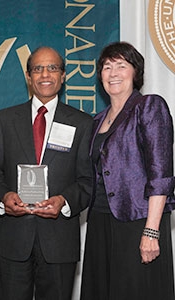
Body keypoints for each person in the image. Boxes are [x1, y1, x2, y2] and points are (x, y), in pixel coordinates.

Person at [0, 46, 93, 300]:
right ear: (28, 76)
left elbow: (87, 181)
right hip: (14, 239)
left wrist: (64, 201)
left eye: (53, 68)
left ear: (63, 75)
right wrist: (4, 198)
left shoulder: (83, 123)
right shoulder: (4, 120)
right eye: (38, 68)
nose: (45, 74)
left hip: (59, 242)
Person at [80, 42, 175, 299]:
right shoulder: (96, 120)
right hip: (100, 220)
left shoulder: (149, 106)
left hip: (137, 222)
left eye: (121, 66)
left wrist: (151, 231)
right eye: (107, 67)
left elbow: (161, 174)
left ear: (136, 73)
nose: (113, 73)